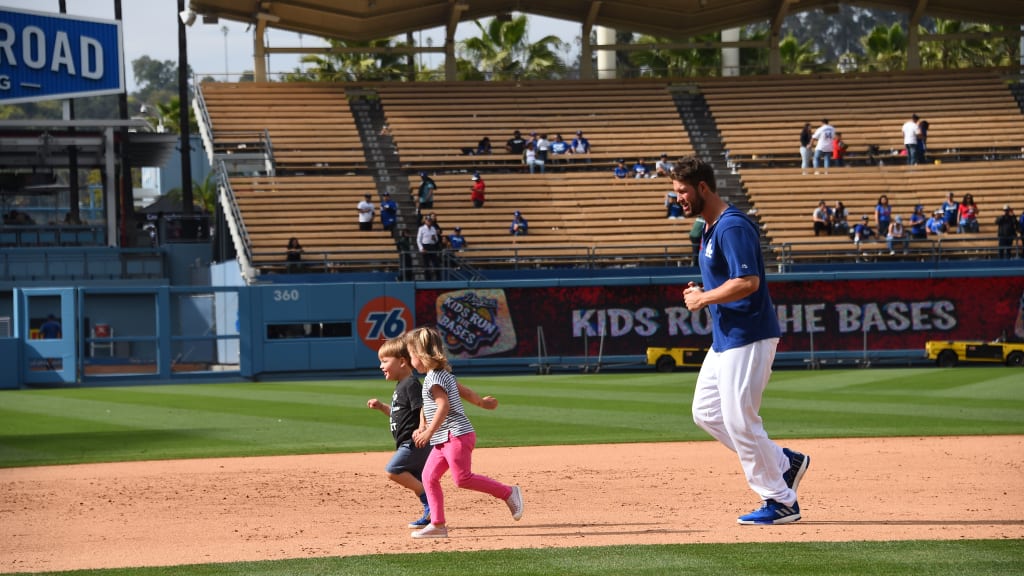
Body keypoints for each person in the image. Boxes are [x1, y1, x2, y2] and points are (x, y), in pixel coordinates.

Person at [672, 156, 809, 525]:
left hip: (749, 334)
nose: (678, 199)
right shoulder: (709, 227)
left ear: (703, 187)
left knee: (740, 420)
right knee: (706, 413)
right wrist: (705, 291)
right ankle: (784, 462)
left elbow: (748, 282)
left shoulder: (732, 226)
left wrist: (703, 298)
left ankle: (781, 501)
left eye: (683, 192)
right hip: (725, 338)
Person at [368, 336, 498, 530]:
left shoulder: (412, 384)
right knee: (426, 478)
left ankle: (428, 503)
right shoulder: (402, 386)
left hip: (416, 442)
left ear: (403, 361)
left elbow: (426, 408)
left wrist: (424, 429)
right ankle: (432, 516)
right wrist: (382, 407)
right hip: (413, 440)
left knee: (393, 470)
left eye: (385, 361)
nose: (381, 366)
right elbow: (399, 416)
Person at [407, 326, 523, 538]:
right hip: (445, 437)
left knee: (462, 479)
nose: (410, 360)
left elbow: (443, 407)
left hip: (456, 435)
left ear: (421, 355)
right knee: (428, 476)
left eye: (411, 354)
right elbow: (460, 394)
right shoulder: (441, 375)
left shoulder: (434, 379)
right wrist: (482, 403)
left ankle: (508, 492)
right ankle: (438, 525)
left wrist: (427, 433)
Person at [417, 214, 441, 280]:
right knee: (426, 264)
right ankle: (428, 279)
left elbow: (436, 240)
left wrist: (435, 239)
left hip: (432, 246)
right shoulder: (421, 228)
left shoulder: (433, 228)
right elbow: (418, 240)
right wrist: (421, 248)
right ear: (425, 221)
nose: (429, 222)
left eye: (430, 221)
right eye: (428, 221)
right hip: (425, 246)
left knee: (436, 263)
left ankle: (438, 278)